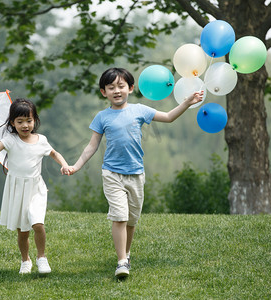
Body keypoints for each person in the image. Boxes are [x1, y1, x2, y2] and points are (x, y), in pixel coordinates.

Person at [67, 67, 203, 278]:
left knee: (131, 220)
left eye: (121, 86)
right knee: (119, 216)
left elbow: (167, 117)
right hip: (112, 174)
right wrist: (76, 165)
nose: (116, 91)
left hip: (136, 174)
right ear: (104, 92)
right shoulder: (102, 117)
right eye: (111, 87)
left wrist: (186, 103)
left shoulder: (140, 110)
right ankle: (121, 262)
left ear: (130, 88)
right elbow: (91, 146)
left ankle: (126, 254)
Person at [0, 98, 70, 275]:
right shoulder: (10, 140)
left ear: (35, 120)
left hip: (36, 189)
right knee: (23, 231)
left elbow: (54, 153)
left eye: (29, 121)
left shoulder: (41, 140)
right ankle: (25, 260)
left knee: (38, 223)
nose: (25, 125)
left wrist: (64, 164)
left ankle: (41, 258)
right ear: (12, 123)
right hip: (17, 190)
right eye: (20, 121)